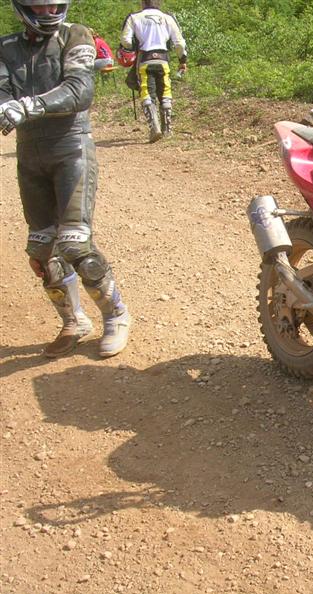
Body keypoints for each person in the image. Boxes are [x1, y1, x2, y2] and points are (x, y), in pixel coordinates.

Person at [0, 0, 131, 358]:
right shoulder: (6, 47)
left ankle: (116, 314)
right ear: (22, 8)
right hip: (30, 153)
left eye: (53, 6)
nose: (48, 14)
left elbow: (79, 90)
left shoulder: (75, 35)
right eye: (39, 8)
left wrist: (26, 106)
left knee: (75, 244)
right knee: (42, 249)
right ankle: (74, 320)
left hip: (71, 148)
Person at [120, 0, 187, 142]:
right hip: (163, 59)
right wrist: (182, 60)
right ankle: (167, 129)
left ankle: (154, 126)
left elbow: (126, 40)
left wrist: (133, 47)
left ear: (142, 3)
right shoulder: (168, 18)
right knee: (165, 91)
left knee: (146, 91)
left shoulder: (134, 17)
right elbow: (179, 43)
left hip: (145, 58)